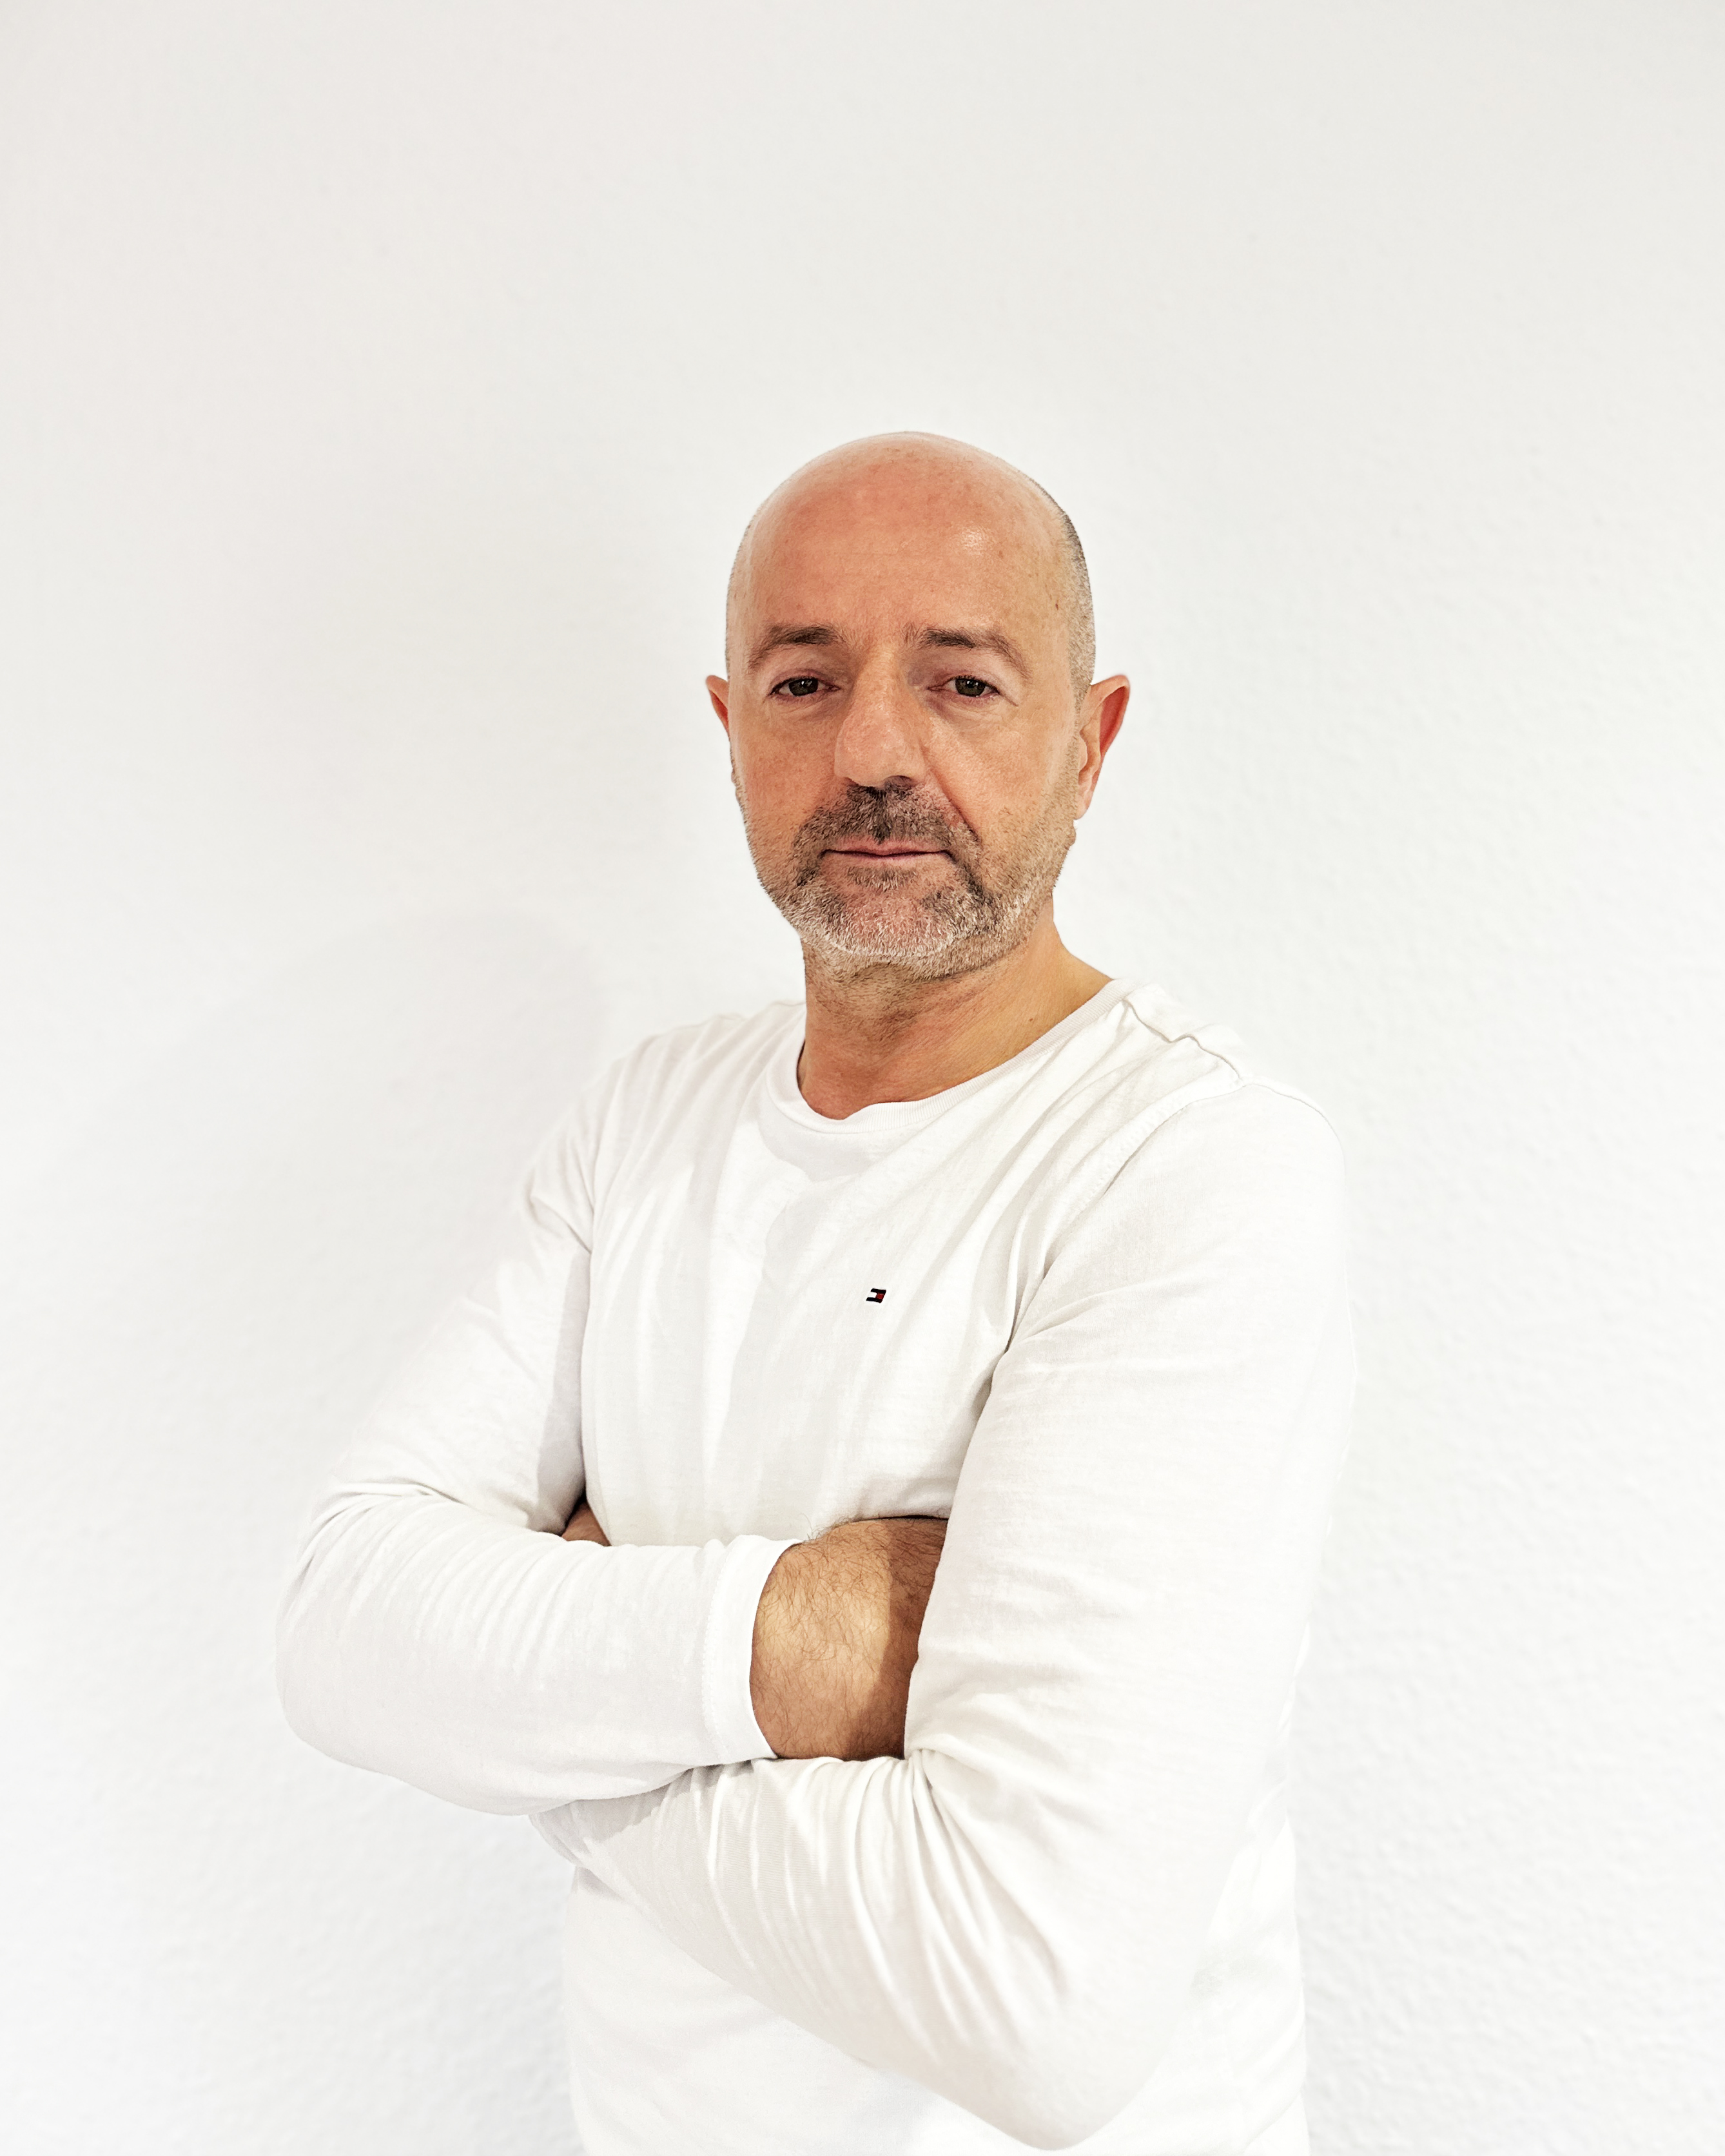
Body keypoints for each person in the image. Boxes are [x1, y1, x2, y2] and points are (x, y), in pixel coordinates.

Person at [277, 432, 1352, 2155]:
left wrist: (550, 1723)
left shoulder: (1185, 1161)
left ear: (1089, 742)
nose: (872, 752)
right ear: (730, 729)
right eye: (804, 680)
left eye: (962, 680)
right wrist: (787, 1640)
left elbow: (1033, 2004)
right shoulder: (646, 1122)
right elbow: (345, 1629)